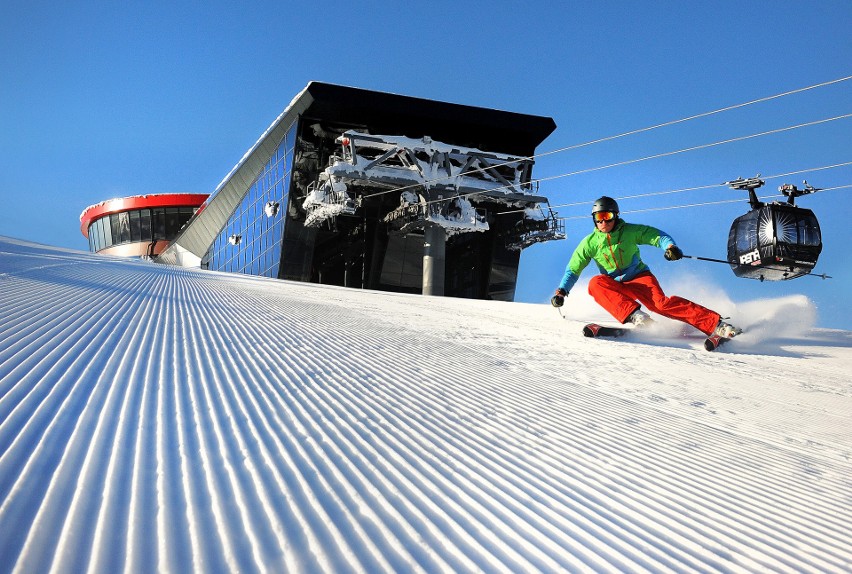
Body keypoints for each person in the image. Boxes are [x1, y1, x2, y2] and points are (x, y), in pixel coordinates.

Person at [551, 196, 741, 339]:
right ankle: (635, 316)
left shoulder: (630, 231)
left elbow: (656, 236)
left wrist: (670, 247)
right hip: (615, 286)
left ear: (615, 216)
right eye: (599, 218)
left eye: (607, 216)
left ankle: (716, 324)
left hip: (639, 278)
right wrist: (561, 291)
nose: (603, 222)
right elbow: (573, 270)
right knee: (595, 283)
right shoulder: (589, 243)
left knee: (661, 304)